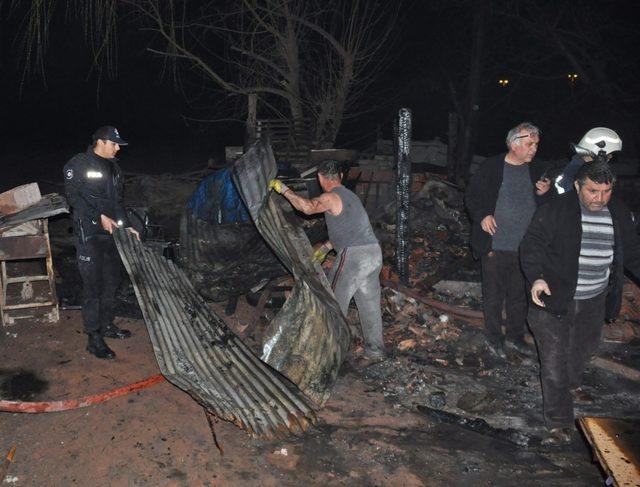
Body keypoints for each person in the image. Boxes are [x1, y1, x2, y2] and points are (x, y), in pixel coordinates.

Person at [520, 160, 640, 445]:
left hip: (594, 297)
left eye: (606, 191)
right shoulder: (556, 210)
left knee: (584, 348)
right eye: (593, 191)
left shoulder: (619, 212)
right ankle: (559, 422)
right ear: (577, 185)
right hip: (553, 297)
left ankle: (572, 383)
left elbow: (633, 253)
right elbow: (531, 245)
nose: (599, 198)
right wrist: (536, 277)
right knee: (553, 362)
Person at [268, 159, 386, 362]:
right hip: (373, 254)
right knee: (369, 305)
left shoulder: (331, 197)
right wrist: (326, 247)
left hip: (354, 257)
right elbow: (349, 229)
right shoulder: (350, 197)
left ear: (320, 177)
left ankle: (326, 356)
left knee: (331, 303)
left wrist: (284, 189)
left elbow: (307, 207)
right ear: (340, 176)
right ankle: (375, 351)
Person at [465, 122, 552, 359]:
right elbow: (472, 196)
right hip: (495, 244)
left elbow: (550, 207)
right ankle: (494, 337)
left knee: (519, 296)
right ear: (514, 144)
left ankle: (516, 337)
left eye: (536, 144)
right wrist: (482, 215)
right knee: (494, 296)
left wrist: (545, 193)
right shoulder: (492, 167)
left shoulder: (538, 170)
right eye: (529, 144)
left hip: (525, 247)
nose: (534, 149)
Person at [64, 126, 140, 360]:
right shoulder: (78, 164)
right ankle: (94, 338)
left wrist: (126, 225)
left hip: (111, 236)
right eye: (115, 144)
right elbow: (73, 197)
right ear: (101, 142)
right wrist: (98, 217)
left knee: (111, 283)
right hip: (90, 236)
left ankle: (107, 325)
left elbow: (118, 202)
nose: (118, 148)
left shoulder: (115, 168)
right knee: (93, 288)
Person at [556, 127, 622, 194]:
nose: (611, 157)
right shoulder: (576, 174)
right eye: (609, 154)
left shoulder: (580, 168)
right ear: (600, 154)